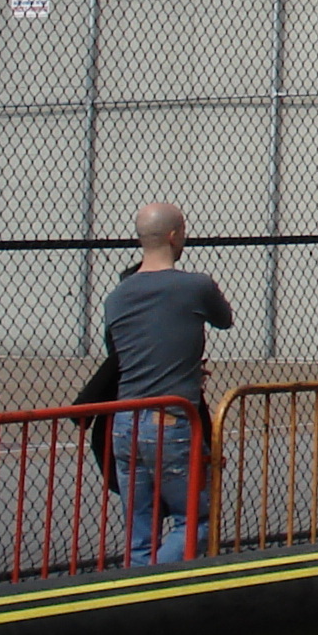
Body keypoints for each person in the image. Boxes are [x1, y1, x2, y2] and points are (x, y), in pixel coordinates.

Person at [103, 201, 232, 567]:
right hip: (173, 419)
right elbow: (223, 318)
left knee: (139, 527)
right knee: (197, 520)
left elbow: (117, 349)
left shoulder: (117, 297)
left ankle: (137, 598)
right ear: (175, 236)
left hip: (125, 421)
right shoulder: (195, 286)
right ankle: (154, 583)